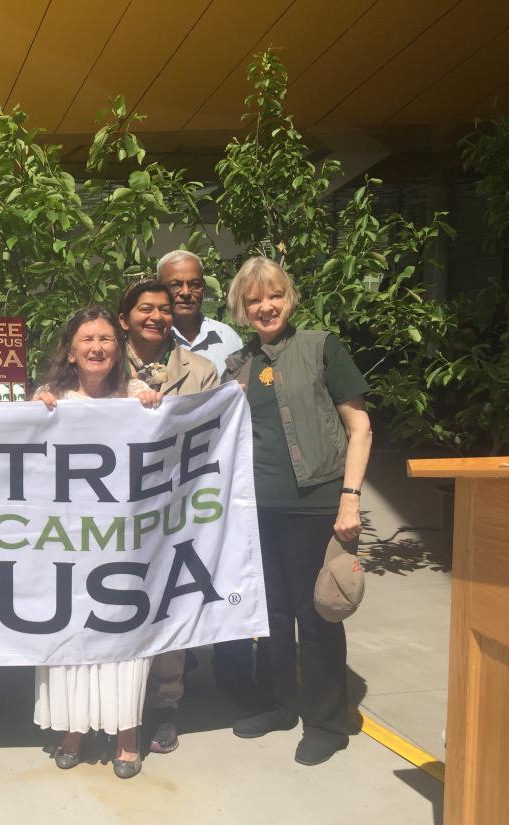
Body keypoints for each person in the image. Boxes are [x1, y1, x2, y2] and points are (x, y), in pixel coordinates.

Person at [224, 256, 372, 766]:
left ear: (290, 297)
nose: (266, 306)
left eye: (275, 295)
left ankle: (327, 722)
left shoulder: (321, 346)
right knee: (271, 616)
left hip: (318, 504)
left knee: (319, 614)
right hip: (258, 509)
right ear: (242, 309)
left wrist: (350, 497)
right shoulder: (238, 365)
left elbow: (360, 426)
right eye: (254, 300)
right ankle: (281, 705)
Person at [31, 305, 162, 780]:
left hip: (123, 543)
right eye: (86, 339)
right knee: (68, 632)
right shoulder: (50, 401)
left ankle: (127, 734)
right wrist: (33, 413)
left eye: (106, 338)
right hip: (66, 545)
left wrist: (153, 407)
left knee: (125, 635)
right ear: (70, 349)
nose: (97, 347)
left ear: (119, 347)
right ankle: (72, 730)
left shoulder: (139, 399)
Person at [116, 278, 217, 756]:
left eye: (162, 309)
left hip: (175, 505)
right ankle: (118, 709)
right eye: (143, 309)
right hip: (113, 507)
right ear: (125, 319)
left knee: (169, 601)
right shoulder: (101, 361)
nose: (155, 316)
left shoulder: (201, 370)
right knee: (119, 603)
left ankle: (166, 706)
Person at [156, 250, 253, 698]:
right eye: (176, 284)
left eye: (193, 283)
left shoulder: (227, 338)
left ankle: (233, 680)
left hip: (211, 476)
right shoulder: (152, 332)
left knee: (220, 569)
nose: (185, 292)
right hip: (160, 482)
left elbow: (240, 407)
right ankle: (174, 674)